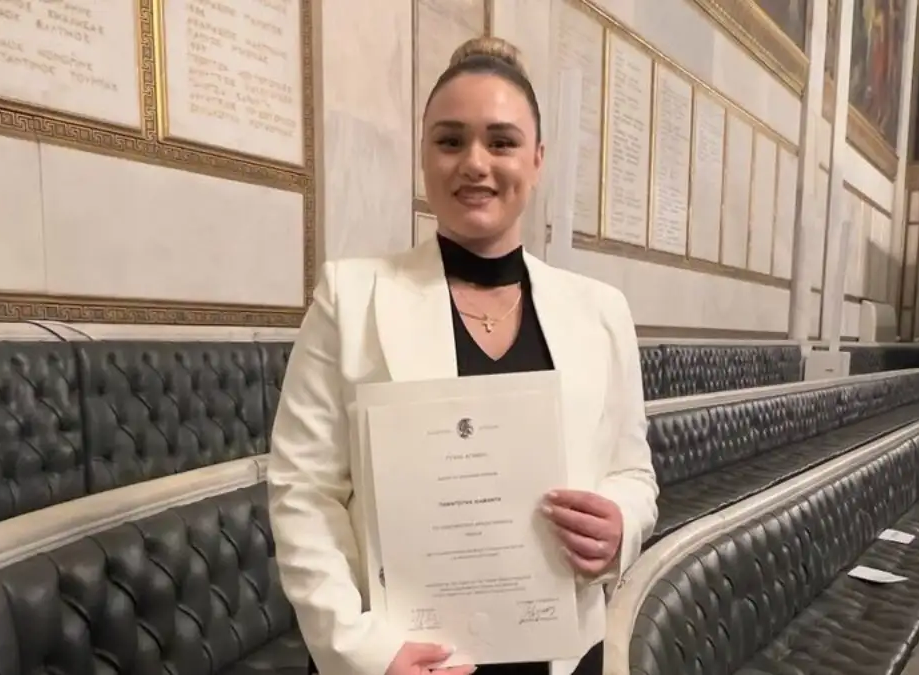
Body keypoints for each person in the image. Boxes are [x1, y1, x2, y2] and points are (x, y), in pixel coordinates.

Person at [267, 35, 659, 675]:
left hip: (559, 650)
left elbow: (633, 473)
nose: (475, 163)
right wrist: (365, 651)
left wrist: (621, 526)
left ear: (537, 159)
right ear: (424, 156)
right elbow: (304, 494)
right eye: (450, 141)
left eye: (501, 142)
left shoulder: (600, 311)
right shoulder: (350, 297)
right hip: (405, 659)